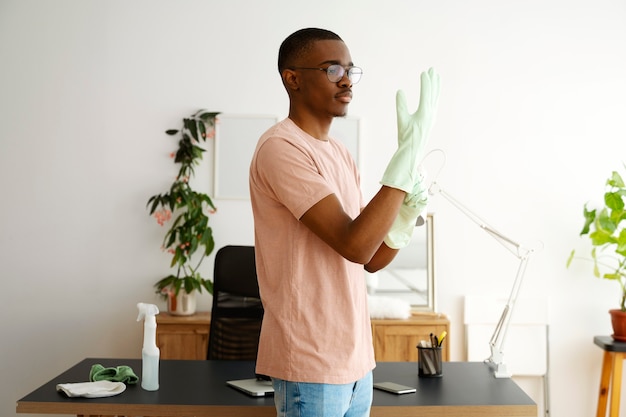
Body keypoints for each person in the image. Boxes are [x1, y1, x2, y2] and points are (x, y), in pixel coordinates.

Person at [249, 27, 440, 417]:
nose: (347, 80)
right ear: (293, 78)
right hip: (311, 361)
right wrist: (404, 160)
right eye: (333, 69)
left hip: (356, 363)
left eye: (351, 70)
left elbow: (368, 257)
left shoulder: (340, 153)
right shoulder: (280, 148)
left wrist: (404, 217)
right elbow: (352, 244)